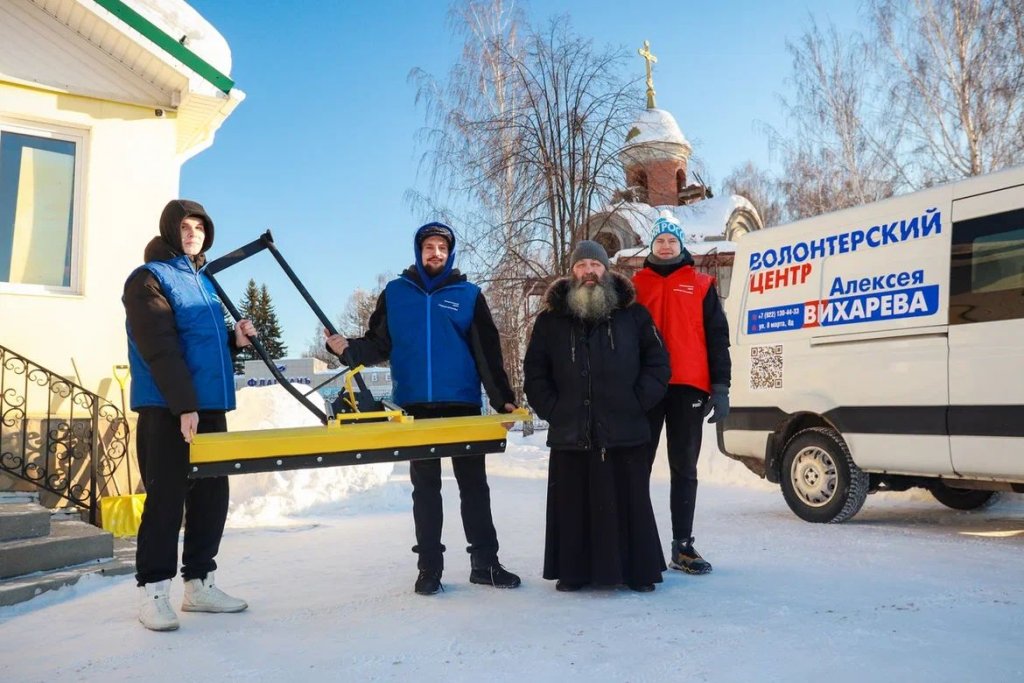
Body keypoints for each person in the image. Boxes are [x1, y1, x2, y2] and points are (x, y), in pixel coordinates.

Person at [326, 222, 521, 596]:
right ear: (419, 251)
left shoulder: (468, 294)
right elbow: (378, 343)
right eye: (429, 247)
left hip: (462, 404)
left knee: (474, 488)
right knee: (425, 490)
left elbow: (487, 352)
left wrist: (503, 399)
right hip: (414, 406)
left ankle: (486, 564)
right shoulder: (397, 292)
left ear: (450, 253)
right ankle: (429, 568)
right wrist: (347, 350)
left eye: (442, 248)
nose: (436, 253)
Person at [124, 199, 253, 631]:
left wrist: (233, 340)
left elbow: (199, 346)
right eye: (185, 226)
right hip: (167, 407)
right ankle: (153, 591)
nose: (193, 232)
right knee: (166, 499)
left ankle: (199, 584)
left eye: (199, 226)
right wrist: (184, 406)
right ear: (168, 230)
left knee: (212, 496)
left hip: (209, 404)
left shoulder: (203, 282)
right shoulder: (148, 280)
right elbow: (160, 348)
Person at [524, 240, 670, 592]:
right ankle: (574, 573)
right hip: (571, 432)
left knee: (628, 503)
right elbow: (535, 374)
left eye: (596, 264)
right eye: (581, 265)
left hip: (624, 429)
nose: (589, 271)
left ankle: (636, 572)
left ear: (607, 270)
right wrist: (554, 411)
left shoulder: (634, 315)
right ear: (571, 272)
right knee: (574, 505)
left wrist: (637, 402)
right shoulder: (550, 320)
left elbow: (658, 364)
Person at [632, 212, 731, 575]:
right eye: (660, 240)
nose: (666, 245)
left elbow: (718, 337)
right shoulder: (635, 285)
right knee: (635, 465)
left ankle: (682, 546)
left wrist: (721, 387)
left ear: (681, 244)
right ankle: (635, 541)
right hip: (644, 386)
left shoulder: (702, 284)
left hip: (689, 384)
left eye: (672, 240)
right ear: (652, 245)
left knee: (684, 468)